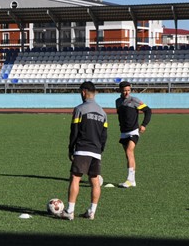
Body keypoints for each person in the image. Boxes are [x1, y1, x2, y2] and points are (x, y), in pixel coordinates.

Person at [62, 81, 108, 221]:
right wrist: (100, 150)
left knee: (75, 178)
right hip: (96, 150)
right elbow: (104, 135)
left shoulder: (79, 109)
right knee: (95, 180)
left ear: (83, 92)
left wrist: (71, 148)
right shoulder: (103, 113)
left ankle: (70, 211)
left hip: (82, 149)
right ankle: (91, 212)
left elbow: (74, 131)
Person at [115, 81, 152, 188]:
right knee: (128, 155)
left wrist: (144, 124)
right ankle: (132, 181)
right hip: (123, 132)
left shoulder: (134, 100)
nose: (127, 92)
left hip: (133, 131)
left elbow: (148, 111)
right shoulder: (118, 101)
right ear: (120, 90)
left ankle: (130, 180)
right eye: (124, 90)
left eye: (128, 90)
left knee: (129, 151)